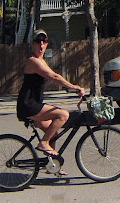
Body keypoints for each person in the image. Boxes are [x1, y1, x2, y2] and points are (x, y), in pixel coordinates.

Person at [17, 29, 85, 171]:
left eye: (44, 41)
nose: (41, 45)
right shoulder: (33, 61)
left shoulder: (40, 61)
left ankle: (53, 165)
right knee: (63, 115)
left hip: (33, 104)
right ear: (32, 44)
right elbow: (54, 77)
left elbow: (55, 75)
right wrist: (74, 88)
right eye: (37, 41)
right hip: (29, 105)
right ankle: (44, 143)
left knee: (53, 132)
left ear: (47, 44)